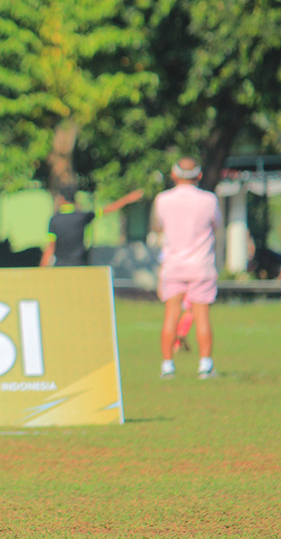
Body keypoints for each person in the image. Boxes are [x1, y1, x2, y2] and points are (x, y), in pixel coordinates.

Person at [152, 157, 222, 379]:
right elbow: (217, 226)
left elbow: (158, 226)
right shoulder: (208, 200)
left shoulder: (163, 199)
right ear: (199, 175)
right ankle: (205, 365)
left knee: (171, 315)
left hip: (173, 266)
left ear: (174, 175)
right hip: (201, 266)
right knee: (202, 316)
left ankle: (167, 366)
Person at [40, 185, 143, 267]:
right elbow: (107, 210)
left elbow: (50, 248)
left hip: (60, 266)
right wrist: (127, 199)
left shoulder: (54, 220)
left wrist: (42, 268)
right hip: (79, 263)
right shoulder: (82, 216)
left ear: (61, 199)